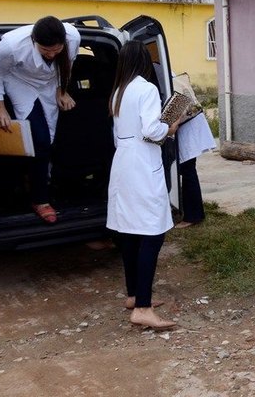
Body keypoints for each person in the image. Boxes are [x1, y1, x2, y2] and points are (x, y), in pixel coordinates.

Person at [107, 40, 179, 330]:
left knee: (128, 231)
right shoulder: (147, 89)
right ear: (144, 62)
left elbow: (118, 135)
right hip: (142, 164)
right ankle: (143, 308)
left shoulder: (117, 92)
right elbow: (151, 130)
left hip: (123, 162)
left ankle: (134, 294)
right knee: (152, 232)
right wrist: (170, 127)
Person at [0, 15, 81, 224]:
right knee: (39, 139)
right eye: (46, 51)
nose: (52, 55)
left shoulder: (73, 37)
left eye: (57, 50)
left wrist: (61, 91)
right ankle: (40, 199)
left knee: (53, 138)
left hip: (50, 84)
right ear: (33, 42)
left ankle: (40, 179)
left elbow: (68, 64)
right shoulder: (11, 45)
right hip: (20, 83)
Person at [174, 111, 216, 228]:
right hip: (187, 122)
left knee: (188, 171)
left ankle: (192, 216)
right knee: (188, 171)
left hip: (187, 124)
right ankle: (194, 214)